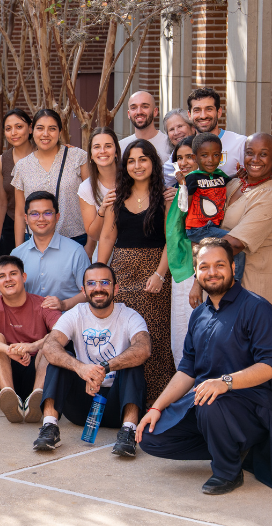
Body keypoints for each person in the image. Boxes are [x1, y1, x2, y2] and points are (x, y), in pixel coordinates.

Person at [138, 239, 272, 495]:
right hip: (209, 401)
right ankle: (235, 446)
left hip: (254, 402)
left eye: (219, 265)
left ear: (232, 267)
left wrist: (225, 382)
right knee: (151, 437)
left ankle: (228, 471)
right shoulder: (199, 315)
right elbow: (187, 370)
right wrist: (156, 407)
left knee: (209, 403)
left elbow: (270, 366)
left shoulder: (257, 308)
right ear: (196, 273)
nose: (212, 272)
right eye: (204, 266)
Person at [191, 133, 272, 406]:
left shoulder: (271, 194)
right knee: (228, 338)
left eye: (263, 154)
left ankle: (261, 404)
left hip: (257, 272)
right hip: (226, 269)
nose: (255, 159)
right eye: (250, 152)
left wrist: (200, 272)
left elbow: (234, 243)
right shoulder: (236, 182)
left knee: (256, 339)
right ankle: (224, 397)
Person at [33, 262, 150, 456]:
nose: (98, 288)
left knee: (132, 362)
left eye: (105, 282)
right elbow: (50, 346)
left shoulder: (130, 316)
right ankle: (49, 427)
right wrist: (81, 369)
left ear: (115, 288)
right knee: (60, 359)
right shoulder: (75, 314)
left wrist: (103, 368)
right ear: (84, 290)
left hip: (118, 403)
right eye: (92, 283)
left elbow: (144, 349)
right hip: (81, 405)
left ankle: (129, 430)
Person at [96, 139, 174, 406]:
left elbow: (169, 240)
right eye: (131, 160)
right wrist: (101, 275)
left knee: (154, 337)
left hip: (154, 274)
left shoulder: (165, 197)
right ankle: (124, 401)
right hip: (121, 272)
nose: (137, 165)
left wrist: (160, 274)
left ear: (153, 163)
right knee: (122, 336)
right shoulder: (117, 197)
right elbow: (107, 237)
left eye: (143, 159)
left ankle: (155, 401)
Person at [0, 256, 61, 423]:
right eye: (2, 276)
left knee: (49, 344)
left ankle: (36, 399)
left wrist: (32, 346)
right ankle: (10, 398)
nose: (8, 279)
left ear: (24, 277)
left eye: (13, 274)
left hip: (36, 373)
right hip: (2, 375)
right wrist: (8, 350)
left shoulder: (43, 304)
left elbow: (62, 332)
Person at [169, 132, 245, 281]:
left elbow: (229, 182)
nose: (210, 160)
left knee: (229, 249)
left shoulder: (220, 175)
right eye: (204, 155)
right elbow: (184, 207)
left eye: (216, 155)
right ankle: (236, 284)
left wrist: (239, 175)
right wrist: (183, 185)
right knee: (236, 246)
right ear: (196, 157)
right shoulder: (192, 178)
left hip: (213, 226)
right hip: (198, 229)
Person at [12, 109, 90, 247]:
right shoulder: (22, 166)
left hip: (76, 239)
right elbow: (19, 213)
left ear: (60, 132)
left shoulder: (78, 157)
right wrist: (19, 252)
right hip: (35, 241)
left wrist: (90, 245)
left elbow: (93, 201)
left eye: (52, 129)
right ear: (32, 130)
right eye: (40, 128)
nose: (45, 134)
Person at [11, 191, 89, 312]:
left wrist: (64, 304)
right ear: (26, 218)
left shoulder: (76, 251)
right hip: (30, 323)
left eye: (47, 213)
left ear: (57, 217)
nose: (41, 219)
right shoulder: (17, 255)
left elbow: (89, 292)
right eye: (34, 214)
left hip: (67, 322)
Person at [167, 135, 198, 365]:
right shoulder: (180, 188)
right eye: (180, 158)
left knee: (191, 335)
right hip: (179, 269)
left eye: (190, 156)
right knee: (180, 336)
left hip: (194, 270)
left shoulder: (204, 187)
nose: (185, 162)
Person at [0, 109, 35, 258]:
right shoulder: (2, 161)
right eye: (8, 128)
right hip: (12, 223)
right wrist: (0, 239)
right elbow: (1, 203)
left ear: (30, 128)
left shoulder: (44, 154)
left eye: (19, 127)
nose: (14, 132)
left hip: (44, 222)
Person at [186, 87, 246, 177]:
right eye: (197, 110)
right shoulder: (184, 146)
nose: (203, 116)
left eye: (209, 109)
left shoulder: (240, 143)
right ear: (189, 115)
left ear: (219, 112)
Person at [78, 127, 120, 256]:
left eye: (108, 146)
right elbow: (94, 235)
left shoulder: (131, 179)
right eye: (97, 147)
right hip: (104, 254)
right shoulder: (86, 188)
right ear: (91, 154)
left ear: (116, 151)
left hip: (133, 249)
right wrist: (102, 210)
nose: (102, 151)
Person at [120, 91, 170, 160]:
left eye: (145, 107)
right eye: (133, 108)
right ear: (129, 114)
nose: (139, 112)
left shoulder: (169, 145)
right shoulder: (121, 147)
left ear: (155, 112)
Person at [161, 108, 196, 186]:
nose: (176, 132)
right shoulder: (173, 158)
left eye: (180, 126)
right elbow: (162, 177)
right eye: (171, 129)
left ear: (193, 128)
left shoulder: (203, 150)